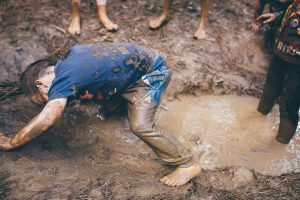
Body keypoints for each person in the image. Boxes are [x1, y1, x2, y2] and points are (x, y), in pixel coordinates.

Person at [0, 42, 201, 187]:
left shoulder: (64, 78)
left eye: (44, 98)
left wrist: (11, 142)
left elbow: (49, 117)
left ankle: (187, 163)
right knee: (106, 108)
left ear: (41, 84)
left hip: (151, 74)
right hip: (133, 68)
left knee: (141, 126)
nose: (50, 99)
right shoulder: (69, 64)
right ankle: (122, 112)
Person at [256, 0, 300, 144]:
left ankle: (280, 143)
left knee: (289, 104)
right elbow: (291, 15)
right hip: (280, 55)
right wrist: (276, 17)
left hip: (297, 66)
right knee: (269, 90)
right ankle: (258, 117)